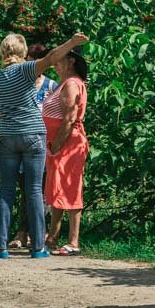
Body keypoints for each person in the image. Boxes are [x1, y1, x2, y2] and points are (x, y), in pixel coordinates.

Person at [0, 32, 89, 259]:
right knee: (34, 190)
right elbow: (52, 57)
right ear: (22, 52)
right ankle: (39, 247)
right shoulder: (26, 70)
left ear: (2, 52)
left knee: (6, 191)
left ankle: (0, 247)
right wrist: (71, 42)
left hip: (9, 135)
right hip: (33, 133)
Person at [9, 43, 59, 249]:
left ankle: (40, 232)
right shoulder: (21, 83)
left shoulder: (51, 86)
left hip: (45, 144)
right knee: (26, 189)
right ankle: (23, 232)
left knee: (43, 191)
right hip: (23, 141)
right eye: (31, 58)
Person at [43, 48, 90, 256]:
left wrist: (57, 144)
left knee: (71, 186)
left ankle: (73, 241)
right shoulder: (64, 83)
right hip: (60, 143)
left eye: (58, 60)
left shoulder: (71, 84)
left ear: (71, 61)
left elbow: (70, 118)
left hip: (68, 143)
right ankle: (53, 236)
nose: (54, 64)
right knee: (57, 187)